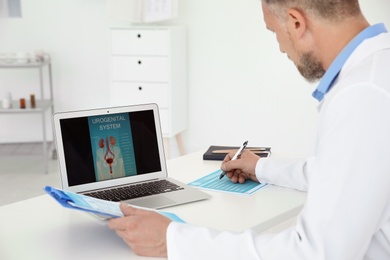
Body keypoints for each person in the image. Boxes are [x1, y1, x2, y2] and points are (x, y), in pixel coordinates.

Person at [108, 0, 390, 258]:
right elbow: (340, 175)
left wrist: (172, 240)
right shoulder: (376, 71)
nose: (281, 47)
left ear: (296, 22)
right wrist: (261, 168)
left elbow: (315, 253)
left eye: (274, 32)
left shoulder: (362, 94)